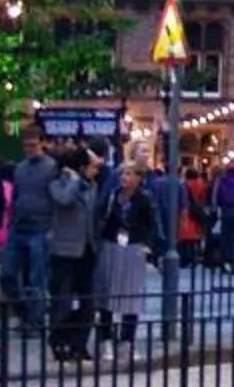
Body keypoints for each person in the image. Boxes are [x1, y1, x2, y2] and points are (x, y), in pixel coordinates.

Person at [95, 163, 160, 352]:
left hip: (133, 247)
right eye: (123, 173)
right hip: (111, 245)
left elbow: (151, 224)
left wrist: (147, 246)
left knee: (131, 296)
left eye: (129, 174)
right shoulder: (113, 196)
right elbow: (104, 218)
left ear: (139, 178)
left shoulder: (144, 199)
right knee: (107, 293)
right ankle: (105, 338)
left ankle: (127, 340)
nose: (124, 178)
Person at [44, 149, 101, 363]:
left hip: (87, 250)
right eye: (92, 166)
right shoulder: (58, 183)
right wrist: (74, 180)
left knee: (88, 302)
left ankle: (79, 343)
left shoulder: (92, 186)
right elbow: (64, 200)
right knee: (63, 301)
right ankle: (58, 341)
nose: (96, 170)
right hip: (64, 251)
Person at [4, 133, 58, 333]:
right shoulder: (20, 168)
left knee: (37, 278)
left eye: (34, 144)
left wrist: (53, 228)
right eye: (27, 145)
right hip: (19, 226)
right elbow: (16, 196)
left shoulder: (51, 167)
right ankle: (24, 312)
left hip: (41, 228)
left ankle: (35, 321)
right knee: (7, 275)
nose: (30, 149)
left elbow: (55, 199)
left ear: (42, 144)